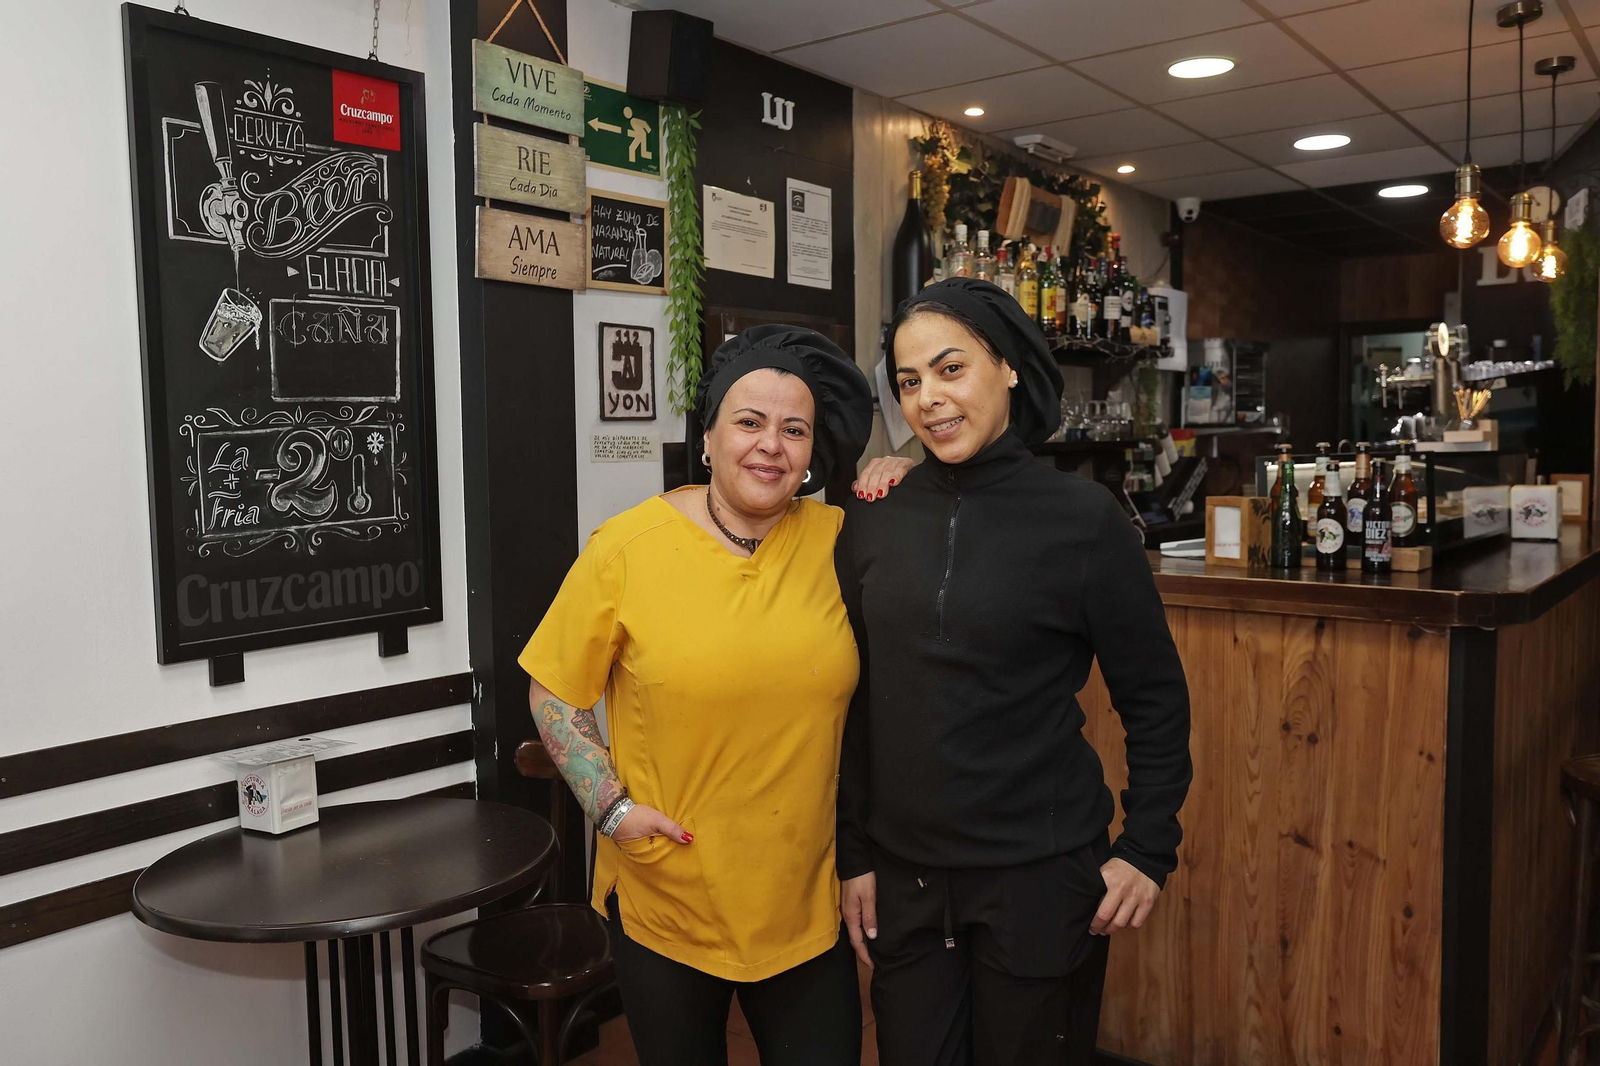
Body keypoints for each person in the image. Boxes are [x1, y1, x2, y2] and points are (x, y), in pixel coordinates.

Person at [836, 277, 1192, 1066]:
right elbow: (858, 705)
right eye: (908, 381)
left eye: (950, 369)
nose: (929, 397)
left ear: (1007, 368)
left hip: (1041, 876)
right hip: (905, 879)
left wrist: (1147, 847)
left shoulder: (1085, 521)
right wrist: (854, 853)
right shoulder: (874, 515)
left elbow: (1155, 698)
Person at [519, 325, 874, 1066]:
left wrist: (903, 469)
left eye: (794, 429)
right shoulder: (627, 548)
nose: (770, 445)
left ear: (812, 452)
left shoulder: (842, 539)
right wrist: (610, 807)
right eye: (749, 422)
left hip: (803, 901)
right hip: (670, 894)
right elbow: (554, 688)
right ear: (708, 438)